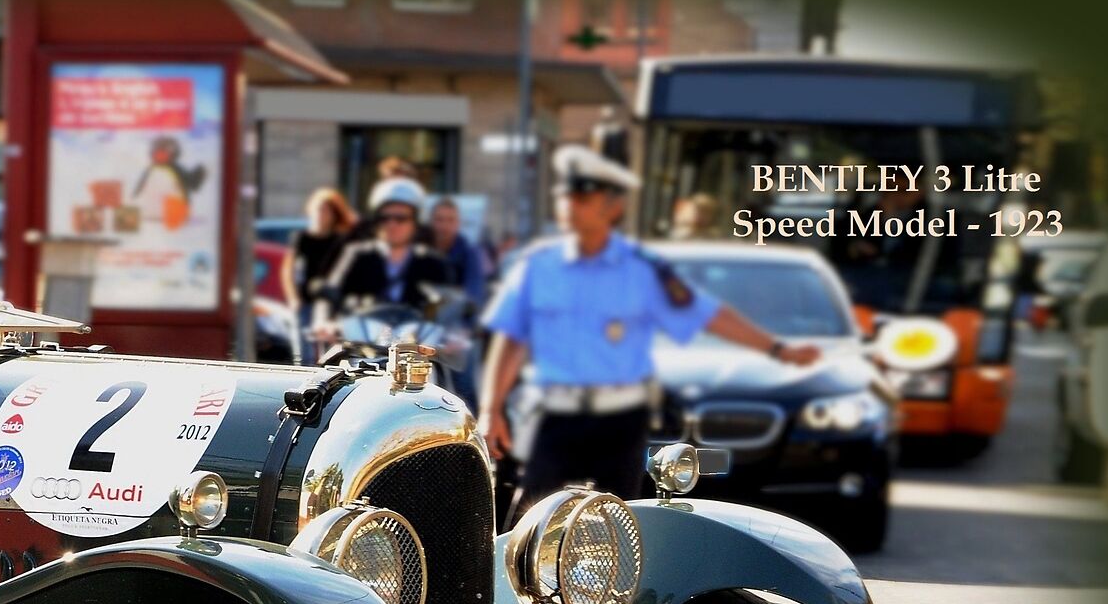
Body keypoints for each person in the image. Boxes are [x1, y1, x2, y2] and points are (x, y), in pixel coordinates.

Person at [482, 145, 822, 521]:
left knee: (621, 523)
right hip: (556, 414)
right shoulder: (538, 267)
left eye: (582, 196)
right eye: (565, 196)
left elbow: (709, 315)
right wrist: (491, 408)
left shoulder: (642, 269)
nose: (569, 205)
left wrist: (776, 348)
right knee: (529, 521)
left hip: (620, 418)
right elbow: (511, 338)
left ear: (612, 207)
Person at [326, 176, 453, 316]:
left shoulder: (433, 263)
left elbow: (448, 308)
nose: (392, 225)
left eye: (401, 218)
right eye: (384, 218)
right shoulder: (356, 255)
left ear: (415, 223)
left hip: (415, 336)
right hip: (364, 335)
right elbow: (329, 295)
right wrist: (323, 322)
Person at [284, 187, 358, 322]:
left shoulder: (341, 241)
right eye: (318, 209)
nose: (320, 215)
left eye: (326, 211)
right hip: (305, 302)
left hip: (332, 304)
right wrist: (293, 298)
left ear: (334, 216)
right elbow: (288, 270)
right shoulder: (301, 238)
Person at [426, 197, 490, 309]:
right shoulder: (420, 252)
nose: (444, 226)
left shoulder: (470, 254)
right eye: (439, 220)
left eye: (450, 220)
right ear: (431, 222)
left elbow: (474, 295)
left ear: (458, 223)